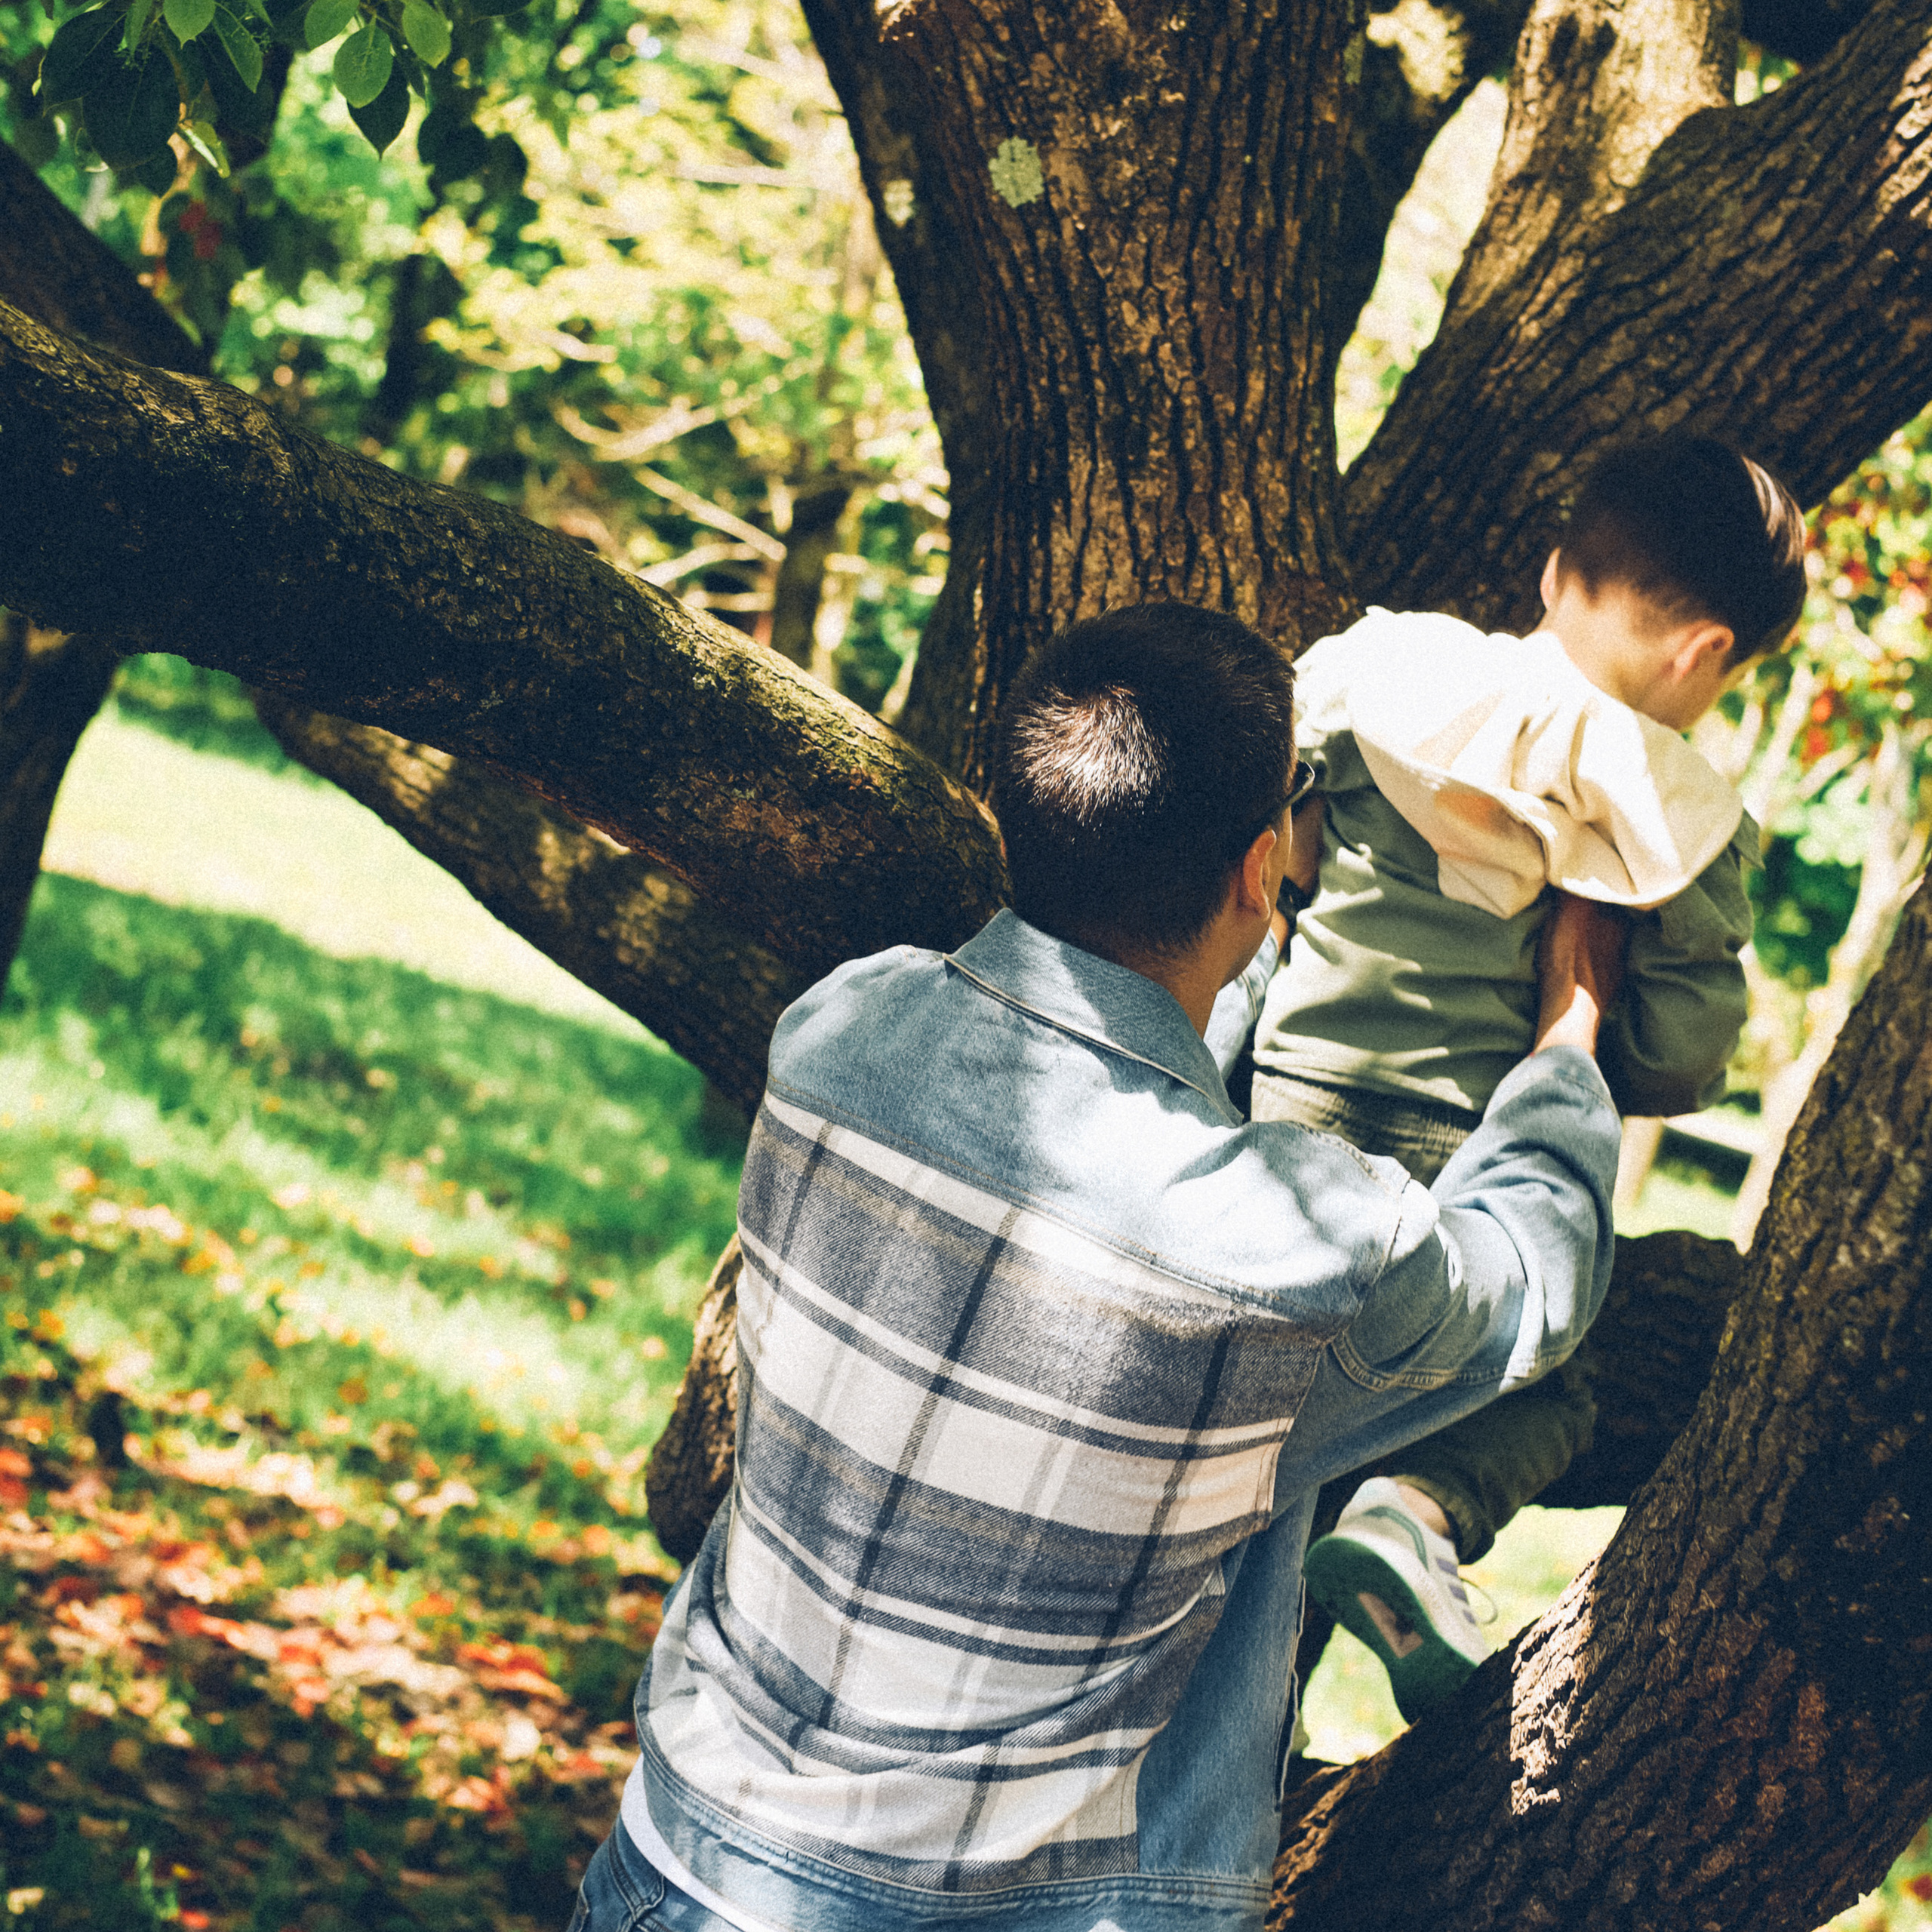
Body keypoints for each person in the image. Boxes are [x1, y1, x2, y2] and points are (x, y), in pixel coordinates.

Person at [571, 601, 1626, 1932]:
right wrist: (1573, 1021)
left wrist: (1252, 949)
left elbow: (1125, 1064)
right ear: (1261, 868)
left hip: (683, 1868)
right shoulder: (1292, 1260)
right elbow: (1533, 1271)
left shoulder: (839, 1033)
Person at [1255, 435, 1807, 1721]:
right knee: (1549, 1391)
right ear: (1704, 654)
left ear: (1559, 571)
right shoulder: (1680, 812)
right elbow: (1676, 1057)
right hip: (1475, 1165)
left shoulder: (1383, 669)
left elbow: (1270, 818)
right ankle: (1415, 1511)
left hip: (1291, 1106)